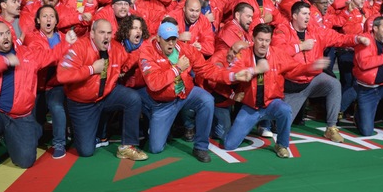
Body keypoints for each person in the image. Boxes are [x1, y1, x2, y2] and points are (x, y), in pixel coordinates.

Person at [0, 21, 73, 182]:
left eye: (7, 33)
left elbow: (51, 55)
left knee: (26, 161)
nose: (5, 37)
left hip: (20, 116)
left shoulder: (27, 53)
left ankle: (19, 133)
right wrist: (5, 62)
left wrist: (67, 43)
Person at [138, 21, 249, 162]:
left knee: (207, 99)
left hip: (185, 93)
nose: (171, 43)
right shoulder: (147, 51)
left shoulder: (186, 49)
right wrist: (177, 69)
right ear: (158, 38)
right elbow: (154, 83)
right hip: (163, 102)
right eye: (167, 40)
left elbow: (207, 69)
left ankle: (201, 147)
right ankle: (154, 120)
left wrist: (232, 76)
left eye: (174, 39)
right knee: (156, 148)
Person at [226, 24, 329, 158]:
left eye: (267, 40)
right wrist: (255, 70)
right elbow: (232, 72)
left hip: (271, 103)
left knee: (285, 109)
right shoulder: (244, 54)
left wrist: (311, 66)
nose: (264, 44)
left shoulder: (278, 54)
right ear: (253, 38)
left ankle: (281, 144)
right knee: (229, 145)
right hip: (251, 107)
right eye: (260, 40)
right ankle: (253, 127)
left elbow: (295, 69)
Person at [273, 1, 369, 142]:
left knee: (333, 84)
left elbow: (339, 38)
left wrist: (356, 38)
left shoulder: (315, 31)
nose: (307, 17)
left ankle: (331, 128)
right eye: (304, 14)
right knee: (279, 126)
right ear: (294, 15)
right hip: (293, 85)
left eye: (309, 14)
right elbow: (277, 53)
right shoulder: (281, 30)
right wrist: (300, 46)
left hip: (312, 79)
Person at [56, 19, 146, 160]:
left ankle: (127, 147)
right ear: (92, 34)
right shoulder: (79, 47)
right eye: (102, 32)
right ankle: (77, 130)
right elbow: (62, 75)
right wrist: (91, 69)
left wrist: (146, 47)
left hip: (105, 96)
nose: (106, 37)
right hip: (82, 104)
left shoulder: (115, 48)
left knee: (133, 98)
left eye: (109, 33)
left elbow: (128, 60)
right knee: (86, 151)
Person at [24, 5, 78, 158]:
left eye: (52, 16)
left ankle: (59, 143)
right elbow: (42, 59)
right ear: (38, 20)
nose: (48, 19)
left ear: (56, 21)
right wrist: (65, 46)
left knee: (56, 106)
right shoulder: (31, 37)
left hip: (56, 85)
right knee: (35, 127)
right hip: (36, 86)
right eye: (45, 16)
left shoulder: (64, 37)